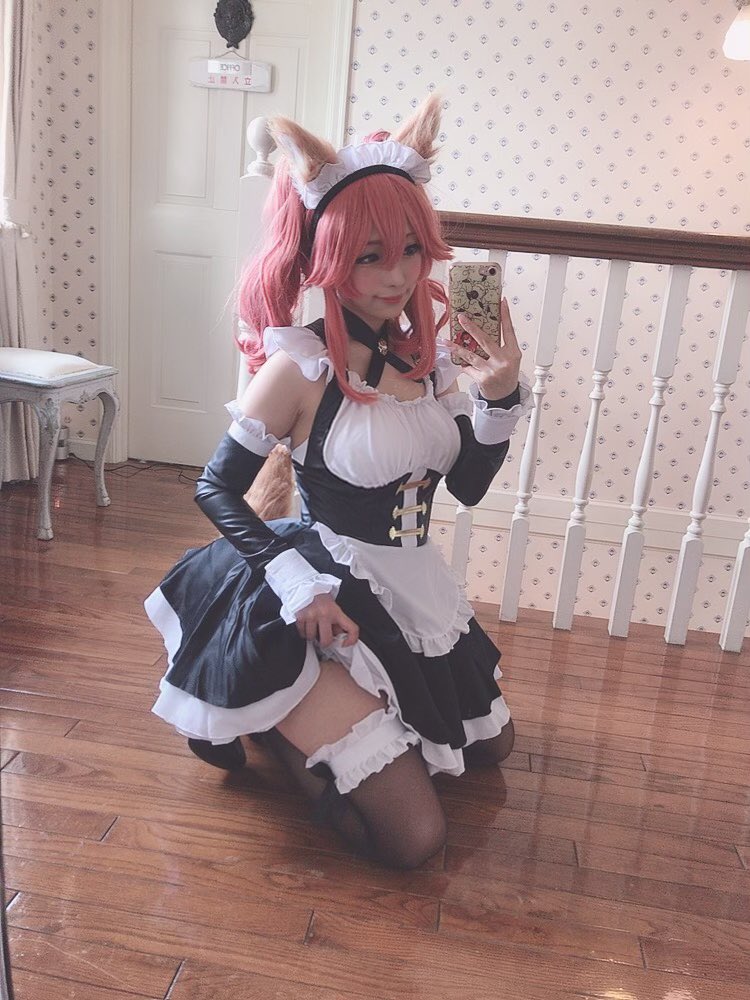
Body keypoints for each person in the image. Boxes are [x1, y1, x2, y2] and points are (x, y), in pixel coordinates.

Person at [145, 96, 532, 870]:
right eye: (368, 255)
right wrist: (298, 586)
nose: (398, 275)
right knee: (414, 839)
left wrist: (501, 393)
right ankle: (272, 712)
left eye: (412, 250)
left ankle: (316, 712)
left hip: (414, 587)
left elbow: (466, 488)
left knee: (495, 748)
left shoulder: (432, 365)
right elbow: (216, 489)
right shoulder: (300, 367)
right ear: (325, 257)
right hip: (320, 587)